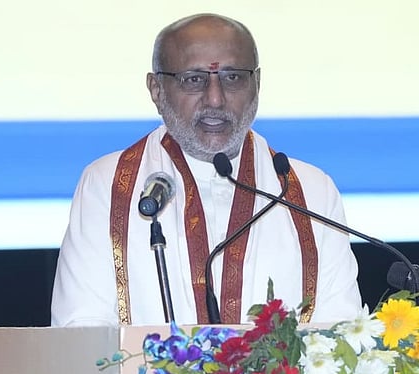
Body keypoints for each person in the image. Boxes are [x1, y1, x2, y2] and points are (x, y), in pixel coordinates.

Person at [51, 13, 363, 327]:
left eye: (232, 77)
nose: (215, 99)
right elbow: (80, 334)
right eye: (193, 79)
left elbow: (342, 336)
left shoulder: (310, 191)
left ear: (256, 84)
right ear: (156, 89)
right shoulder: (107, 185)